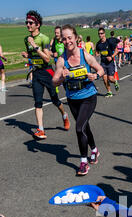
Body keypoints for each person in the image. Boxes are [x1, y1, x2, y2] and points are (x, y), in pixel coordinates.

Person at [52, 25, 105, 176]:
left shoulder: (85, 55)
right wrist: (62, 76)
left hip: (89, 97)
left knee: (79, 128)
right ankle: (94, 150)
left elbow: (100, 69)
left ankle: (83, 162)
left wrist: (96, 76)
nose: (67, 41)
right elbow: (54, 81)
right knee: (84, 126)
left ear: (75, 37)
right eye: (64, 38)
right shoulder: (62, 60)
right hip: (72, 99)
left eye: (70, 37)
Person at [21, 11, 70, 140]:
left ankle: (64, 115)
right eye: (26, 22)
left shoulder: (44, 38)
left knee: (55, 100)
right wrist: (28, 55)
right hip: (36, 73)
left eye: (30, 22)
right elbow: (33, 56)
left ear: (37, 24)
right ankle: (41, 130)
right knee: (38, 102)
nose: (28, 25)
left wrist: (34, 45)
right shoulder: (27, 39)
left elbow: (47, 59)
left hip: (47, 73)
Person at [95, 27, 119, 98]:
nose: (100, 35)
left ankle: (115, 82)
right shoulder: (98, 44)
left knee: (110, 78)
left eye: (101, 33)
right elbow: (96, 52)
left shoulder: (109, 42)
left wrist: (111, 56)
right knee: (104, 79)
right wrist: (97, 54)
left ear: (104, 34)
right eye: (99, 34)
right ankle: (109, 92)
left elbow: (116, 51)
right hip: (103, 63)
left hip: (110, 63)